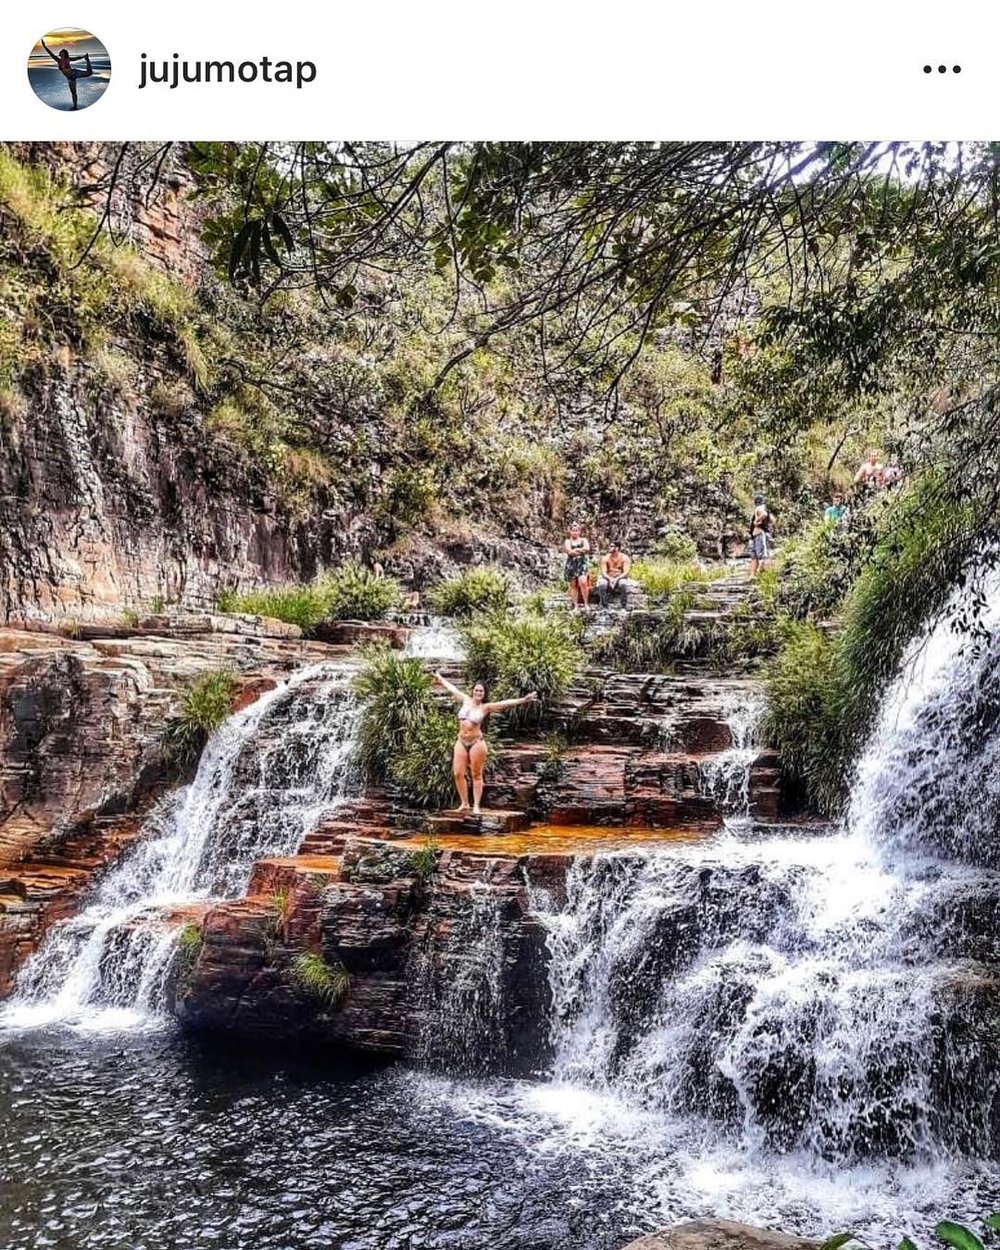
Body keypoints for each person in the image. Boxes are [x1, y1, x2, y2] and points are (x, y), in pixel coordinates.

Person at [433, 672, 539, 815]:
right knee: (458, 773)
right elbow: (453, 689)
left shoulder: (485, 707)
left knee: (476, 774)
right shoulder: (465, 700)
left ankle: (476, 805)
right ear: (473, 691)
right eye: (476, 690)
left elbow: (504, 703)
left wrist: (524, 700)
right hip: (461, 741)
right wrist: (441, 679)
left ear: (484, 694)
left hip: (476, 743)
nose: (478, 693)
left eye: (481, 691)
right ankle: (465, 803)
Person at [41, 39, 94, 111]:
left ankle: (87, 60)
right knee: (73, 93)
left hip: (74, 73)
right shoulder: (58, 60)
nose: (61, 52)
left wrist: (83, 57)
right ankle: (75, 107)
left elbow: (75, 58)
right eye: (61, 52)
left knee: (89, 73)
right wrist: (44, 45)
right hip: (70, 78)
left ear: (65, 54)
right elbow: (50, 53)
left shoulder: (67, 59)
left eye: (62, 52)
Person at [563, 522, 591, 610]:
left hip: (582, 563)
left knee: (583, 582)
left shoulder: (583, 540)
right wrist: (581, 551)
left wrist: (576, 550)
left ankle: (586, 603)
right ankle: (575, 605)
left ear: (579, 531)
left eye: (576, 530)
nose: (575, 532)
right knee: (573, 585)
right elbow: (569, 552)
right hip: (571, 564)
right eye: (573, 530)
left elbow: (587, 549)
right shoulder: (568, 541)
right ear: (570, 531)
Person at [597, 541, 632, 608]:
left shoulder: (625, 558)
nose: (609, 548)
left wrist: (616, 579)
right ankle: (604, 605)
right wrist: (610, 579)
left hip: (620, 577)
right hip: (608, 577)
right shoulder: (605, 558)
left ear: (617, 548)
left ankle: (624, 604)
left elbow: (625, 572)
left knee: (623, 584)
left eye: (611, 546)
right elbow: (604, 572)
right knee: (602, 584)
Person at [748, 494, 772, 578]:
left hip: (759, 535)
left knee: (761, 556)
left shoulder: (760, 508)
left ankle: (765, 576)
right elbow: (772, 520)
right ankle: (752, 576)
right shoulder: (763, 508)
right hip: (755, 535)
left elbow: (764, 514)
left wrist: (757, 520)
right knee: (754, 557)